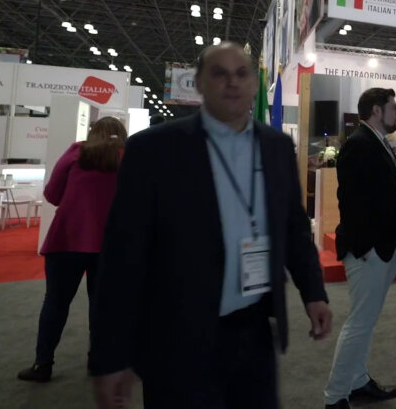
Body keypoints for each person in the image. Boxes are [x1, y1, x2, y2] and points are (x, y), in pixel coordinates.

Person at [89, 42, 331, 409]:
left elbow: (294, 228)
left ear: (254, 84)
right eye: (219, 73)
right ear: (199, 83)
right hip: (177, 340)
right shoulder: (154, 150)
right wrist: (110, 356)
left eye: (241, 73)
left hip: (255, 335)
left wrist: (313, 292)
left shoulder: (277, 147)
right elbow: (122, 256)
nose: (232, 82)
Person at [17, 117, 127, 383]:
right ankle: (98, 361)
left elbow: (52, 194)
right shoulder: (129, 158)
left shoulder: (76, 152)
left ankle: (43, 364)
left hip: (67, 239)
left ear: (93, 132)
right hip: (111, 244)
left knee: (55, 302)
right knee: (103, 305)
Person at [325, 87, 396, 409]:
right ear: (376, 110)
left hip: (383, 249)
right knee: (359, 323)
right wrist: (366, 249)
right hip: (368, 252)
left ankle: (357, 381)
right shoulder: (359, 144)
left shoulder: (377, 141)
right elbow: (351, 202)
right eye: (393, 107)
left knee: (366, 321)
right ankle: (335, 396)